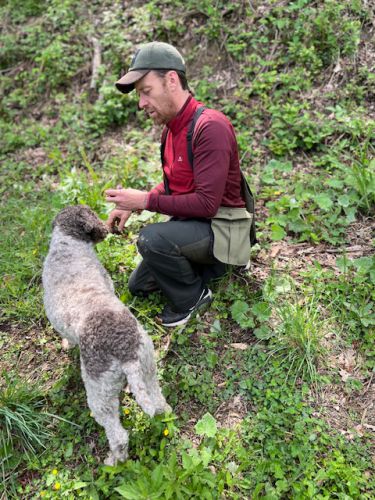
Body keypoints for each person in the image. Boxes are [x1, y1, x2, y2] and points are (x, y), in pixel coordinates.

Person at [105, 41, 254, 327]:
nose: (141, 103)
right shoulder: (171, 132)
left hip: (224, 229)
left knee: (151, 239)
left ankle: (194, 297)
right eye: (139, 96)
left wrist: (146, 201)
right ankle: (211, 269)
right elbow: (173, 185)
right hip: (199, 228)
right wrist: (133, 204)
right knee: (140, 285)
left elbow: (208, 204)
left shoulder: (210, 127)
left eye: (146, 92)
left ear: (171, 80)